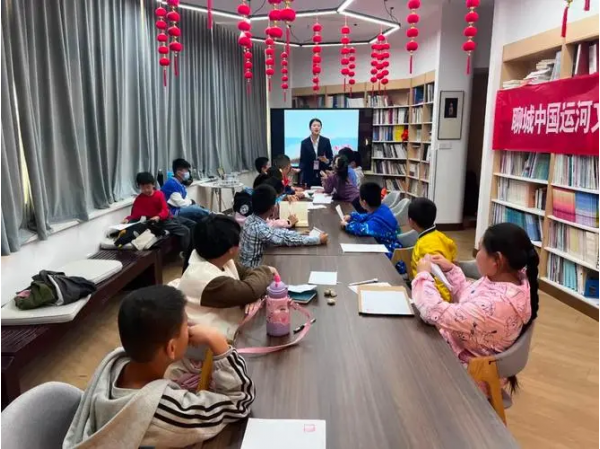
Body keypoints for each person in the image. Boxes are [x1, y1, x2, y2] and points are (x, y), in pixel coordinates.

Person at [63, 285, 255, 448]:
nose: (190, 329)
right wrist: (218, 342)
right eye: (186, 326)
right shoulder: (165, 410)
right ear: (171, 348)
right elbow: (239, 402)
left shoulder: (114, 363)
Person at [411, 222, 538, 393]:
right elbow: (470, 299)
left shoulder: (495, 305)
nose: (477, 254)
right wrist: (451, 271)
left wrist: (422, 275)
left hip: (469, 374)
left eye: (480, 249)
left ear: (497, 260)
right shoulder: (510, 280)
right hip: (463, 349)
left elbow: (434, 312)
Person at [177, 215, 276, 341]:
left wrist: (250, 295)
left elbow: (248, 275)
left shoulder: (215, 256)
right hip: (212, 345)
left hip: (231, 326)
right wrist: (267, 270)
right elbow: (251, 289)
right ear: (231, 249)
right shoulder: (206, 278)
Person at [239, 184, 328, 268]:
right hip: (253, 270)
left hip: (248, 266)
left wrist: (299, 233)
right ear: (272, 208)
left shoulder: (251, 219)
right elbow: (286, 239)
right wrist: (317, 240)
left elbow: (275, 232)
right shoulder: (260, 229)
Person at [123, 172, 195, 252]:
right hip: (160, 223)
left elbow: (165, 210)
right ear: (139, 187)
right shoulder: (139, 199)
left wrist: (158, 216)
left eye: (148, 187)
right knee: (185, 231)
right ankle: (186, 254)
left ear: (153, 185)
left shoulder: (159, 194)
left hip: (168, 217)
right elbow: (135, 215)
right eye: (143, 188)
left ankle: (194, 249)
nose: (146, 190)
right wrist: (127, 219)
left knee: (192, 224)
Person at [341, 182, 402, 272]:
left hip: (391, 258)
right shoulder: (382, 208)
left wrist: (347, 225)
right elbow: (368, 216)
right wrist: (352, 216)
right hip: (389, 248)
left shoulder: (376, 223)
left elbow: (362, 229)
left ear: (364, 202)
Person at [408, 197, 457, 302]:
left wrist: (440, 303)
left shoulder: (427, 245)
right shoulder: (440, 236)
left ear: (411, 221)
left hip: (432, 300)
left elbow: (439, 279)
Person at [162, 158, 210, 222]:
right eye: (186, 170)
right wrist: (190, 202)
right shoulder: (171, 184)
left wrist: (190, 202)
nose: (188, 173)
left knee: (199, 210)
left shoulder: (180, 184)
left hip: (180, 209)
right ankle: (213, 215)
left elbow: (186, 199)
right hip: (173, 212)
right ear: (178, 172)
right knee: (196, 210)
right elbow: (181, 203)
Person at [299, 118, 333, 187]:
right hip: (308, 174)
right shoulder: (304, 142)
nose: (316, 127)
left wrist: (326, 160)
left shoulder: (326, 141)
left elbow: (330, 157)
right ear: (310, 128)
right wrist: (299, 169)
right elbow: (302, 160)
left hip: (323, 173)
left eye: (318, 126)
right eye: (314, 125)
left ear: (321, 128)